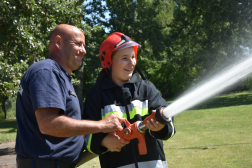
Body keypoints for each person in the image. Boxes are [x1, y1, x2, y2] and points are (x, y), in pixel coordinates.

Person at [15, 24, 123, 168]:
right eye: (78, 44)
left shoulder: (59, 75)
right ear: (58, 42)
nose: (84, 51)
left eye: (84, 45)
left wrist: (102, 141)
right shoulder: (46, 71)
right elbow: (49, 124)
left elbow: (68, 129)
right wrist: (101, 125)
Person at [83, 32, 176, 168]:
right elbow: (85, 134)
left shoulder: (147, 89)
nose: (131, 62)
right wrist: (103, 141)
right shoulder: (96, 95)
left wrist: (161, 126)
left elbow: (170, 126)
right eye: (124, 58)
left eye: (133, 57)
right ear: (109, 61)